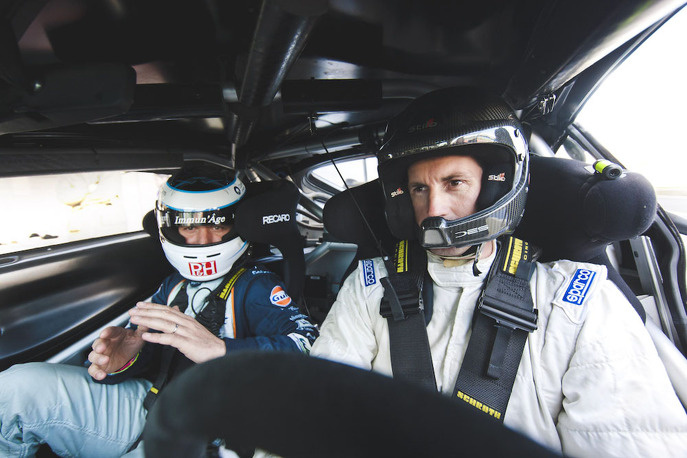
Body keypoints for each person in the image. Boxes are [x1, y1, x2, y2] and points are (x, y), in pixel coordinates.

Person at [311, 87, 687, 456]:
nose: (434, 208)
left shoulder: (579, 300)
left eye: (454, 183)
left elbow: (626, 439)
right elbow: (318, 412)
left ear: (497, 186)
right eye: (418, 189)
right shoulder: (369, 286)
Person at [0, 163, 318, 457]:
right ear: (168, 226)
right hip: (151, 403)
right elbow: (152, 357)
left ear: (239, 224)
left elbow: (309, 345)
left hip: (210, 432)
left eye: (219, 225)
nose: (202, 239)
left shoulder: (256, 286)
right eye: (188, 227)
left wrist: (222, 351)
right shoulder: (172, 285)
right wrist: (126, 360)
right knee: (16, 387)